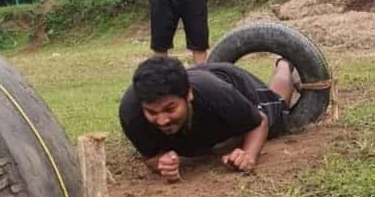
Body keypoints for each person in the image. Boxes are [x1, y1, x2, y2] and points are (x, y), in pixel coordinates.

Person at [119, 55, 295, 181]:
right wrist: (162, 164)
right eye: (152, 112)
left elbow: (260, 122)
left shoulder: (216, 94)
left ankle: (285, 64)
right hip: (206, 87)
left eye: (170, 109)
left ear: (188, 94)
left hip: (232, 83)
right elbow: (150, 157)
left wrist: (249, 155)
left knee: (276, 111)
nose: (162, 120)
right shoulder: (131, 114)